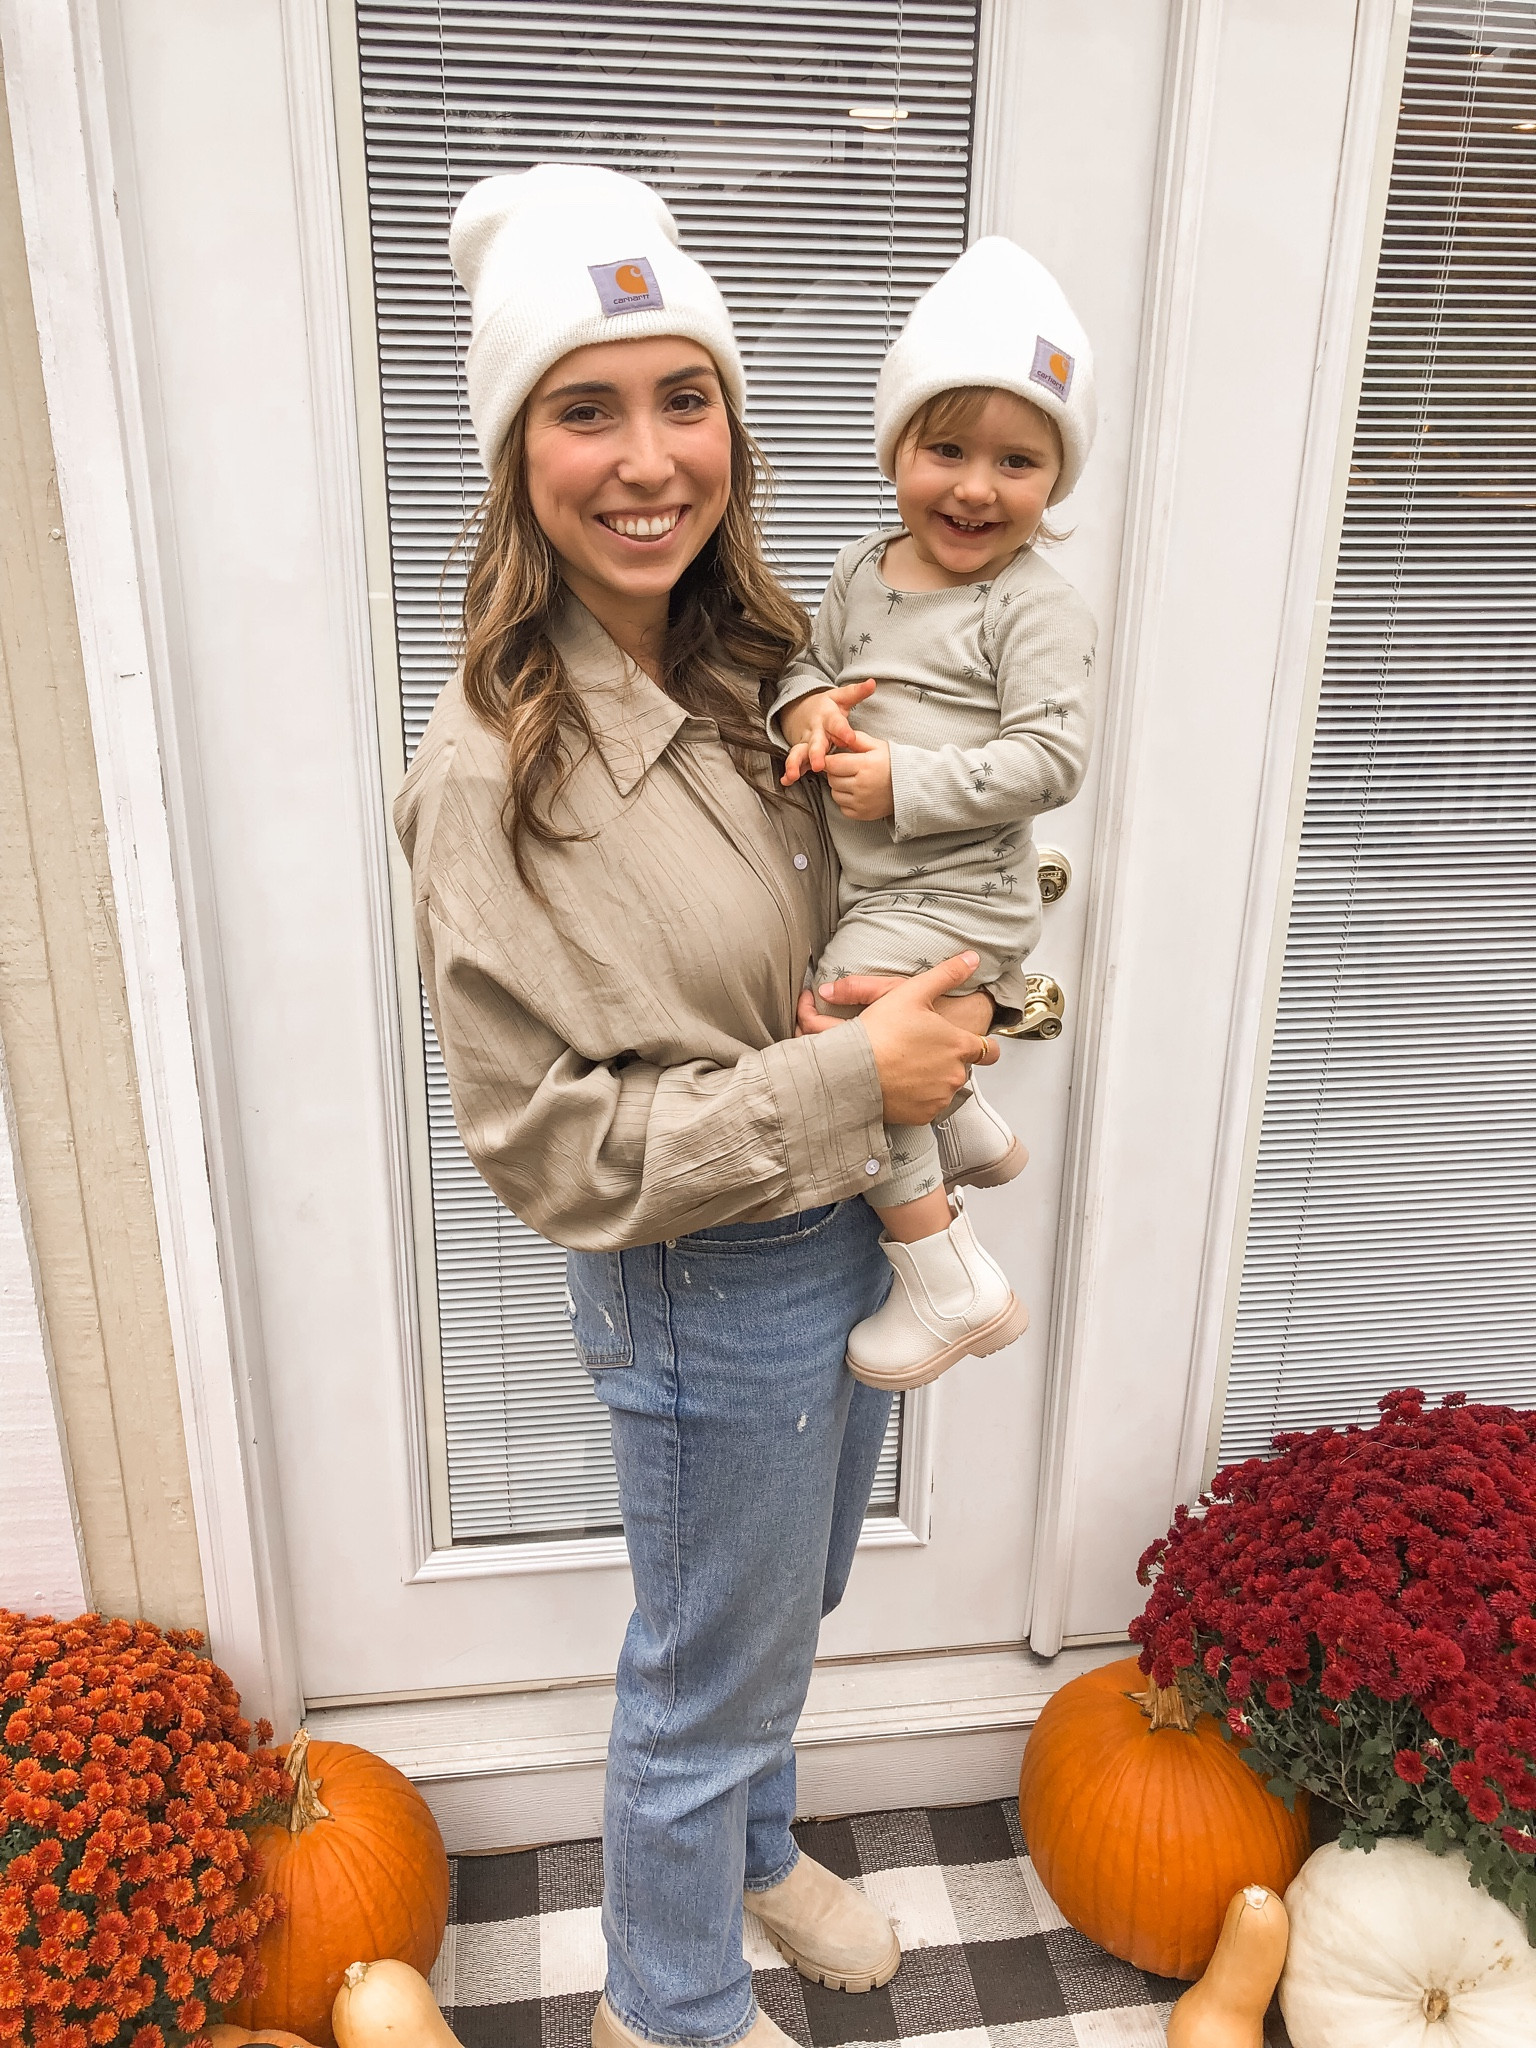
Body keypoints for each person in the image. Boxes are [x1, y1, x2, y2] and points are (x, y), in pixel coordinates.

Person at [394, 162, 1004, 2048]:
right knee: (699, 1666)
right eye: (586, 407)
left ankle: (748, 1844)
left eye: (685, 397)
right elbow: (550, 1148)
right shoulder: (496, 774)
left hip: (851, 1230)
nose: (648, 457)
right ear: (516, 450)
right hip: (706, 1274)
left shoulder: (759, 667)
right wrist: (853, 1075)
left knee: (780, 1604)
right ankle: (663, 2005)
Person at [766, 238, 1099, 1393]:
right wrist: (805, 709)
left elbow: (1051, 756)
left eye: (1016, 460)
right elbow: (804, 660)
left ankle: (951, 1281)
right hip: (879, 884)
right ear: (896, 447)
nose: (974, 485)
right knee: (862, 1021)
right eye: (945, 446)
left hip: (957, 891)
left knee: (838, 1032)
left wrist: (905, 783)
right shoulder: (865, 565)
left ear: (1054, 478)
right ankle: (962, 1126)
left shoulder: (1033, 605)